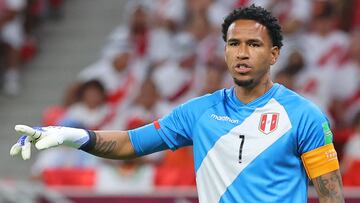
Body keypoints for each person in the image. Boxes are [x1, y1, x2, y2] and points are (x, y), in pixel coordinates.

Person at [10, 5, 344, 203]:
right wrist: (71, 135)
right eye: (233, 43)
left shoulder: (304, 116)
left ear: (274, 54)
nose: (242, 52)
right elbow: (130, 143)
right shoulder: (198, 112)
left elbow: (331, 196)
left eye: (254, 44)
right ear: (225, 50)